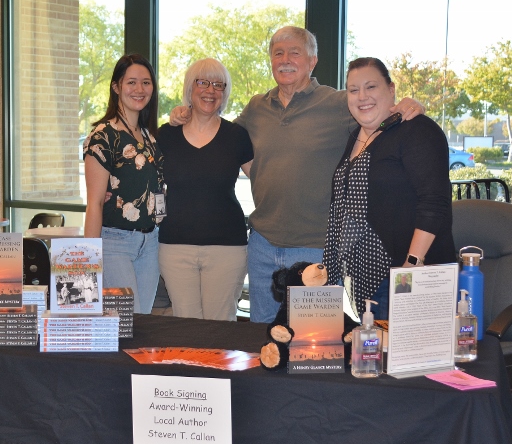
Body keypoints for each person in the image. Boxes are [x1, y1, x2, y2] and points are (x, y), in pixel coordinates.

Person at [170, 26, 424, 323]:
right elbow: (219, 136)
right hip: (262, 246)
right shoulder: (257, 107)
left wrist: (409, 105)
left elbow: (378, 111)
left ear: (312, 61)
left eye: (295, 52)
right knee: (261, 338)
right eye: (278, 53)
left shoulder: (337, 102)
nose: (285, 59)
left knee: (314, 343)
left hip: (316, 248)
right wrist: (184, 114)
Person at [322, 57, 455, 319]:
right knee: (364, 357)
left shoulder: (417, 130)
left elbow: (434, 202)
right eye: (353, 90)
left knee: (393, 358)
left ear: (391, 90)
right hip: (357, 277)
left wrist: (411, 266)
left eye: (371, 87)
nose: (362, 96)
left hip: (401, 275)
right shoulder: (357, 135)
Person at [156, 58, 253, 321]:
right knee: (185, 326)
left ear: (225, 93)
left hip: (227, 249)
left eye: (218, 85)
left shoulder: (237, 136)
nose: (210, 90)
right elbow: (142, 179)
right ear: (190, 88)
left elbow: (265, 181)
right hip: (175, 248)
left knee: (219, 326)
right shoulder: (165, 135)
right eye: (203, 82)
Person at [83, 54, 163, 314]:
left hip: (150, 243)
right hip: (115, 243)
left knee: (142, 322)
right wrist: (88, 260)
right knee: (125, 323)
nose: (139, 90)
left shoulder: (149, 135)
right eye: (131, 82)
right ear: (116, 87)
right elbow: (94, 203)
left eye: (146, 83)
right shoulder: (102, 136)